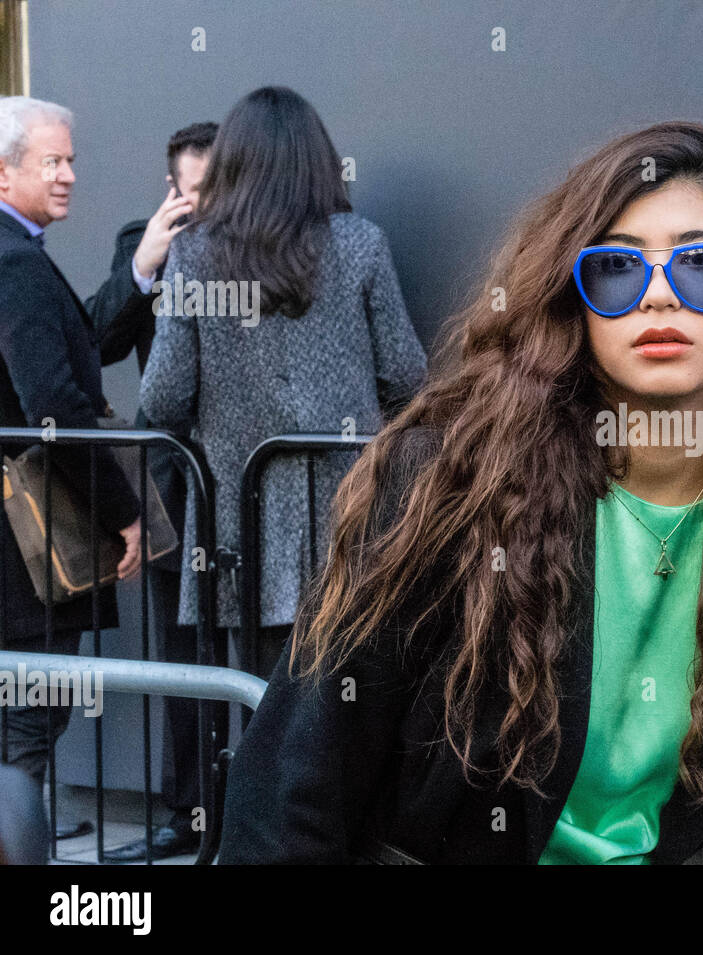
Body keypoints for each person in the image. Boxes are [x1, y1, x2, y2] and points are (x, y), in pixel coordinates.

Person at [218, 120, 703, 864]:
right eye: (618, 269)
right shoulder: (451, 481)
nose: (659, 295)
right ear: (578, 301)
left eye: (700, 263)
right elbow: (296, 781)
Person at [140, 88, 426, 683]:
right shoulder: (361, 243)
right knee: (349, 707)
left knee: (264, 708)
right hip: (353, 515)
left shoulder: (193, 253)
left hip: (241, 525)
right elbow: (407, 376)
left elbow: (162, 399)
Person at [0, 96, 141, 840]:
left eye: (72, 160)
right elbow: (52, 403)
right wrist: (123, 511)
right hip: (26, 544)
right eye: (50, 161)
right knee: (32, 707)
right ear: (2, 173)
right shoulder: (14, 261)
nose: (68, 176)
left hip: (20, 541)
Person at [86, 121, 217, 862]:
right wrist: (143, 265)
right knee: (178, 653)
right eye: (192, 194)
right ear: (172, 189)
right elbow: (96, 341)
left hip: (250, 473)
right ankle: (187, 812)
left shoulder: (266, 245)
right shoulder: (145, 239)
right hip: (173, 480)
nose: (205, 208)